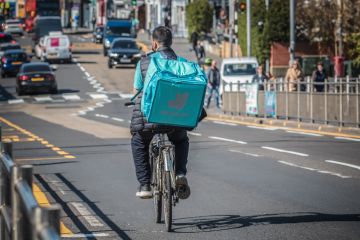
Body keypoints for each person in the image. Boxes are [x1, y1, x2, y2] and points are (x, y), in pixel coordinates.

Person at [131, 26, 190, 199]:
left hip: (148, 118)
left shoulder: (144, 62)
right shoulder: (182, 63)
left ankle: (145, 185)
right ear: (170, 43)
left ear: (154, 44)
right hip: (175, 117)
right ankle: (179, 173)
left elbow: (136, 91)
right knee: (180, 140)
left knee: (139, 142)